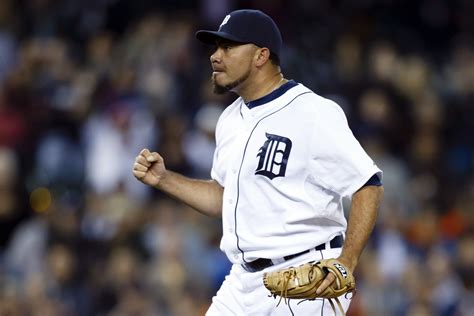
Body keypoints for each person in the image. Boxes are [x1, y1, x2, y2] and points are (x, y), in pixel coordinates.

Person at [133, 9, 384, 315]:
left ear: (261, 56)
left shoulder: (313, 112)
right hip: (243, 280)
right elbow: (224, 199)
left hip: (305, 276)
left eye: (228, 46)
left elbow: (367, 184)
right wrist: (164, 179)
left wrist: (347, 261)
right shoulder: (229, 119)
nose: (215, 56)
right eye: (215, 48)